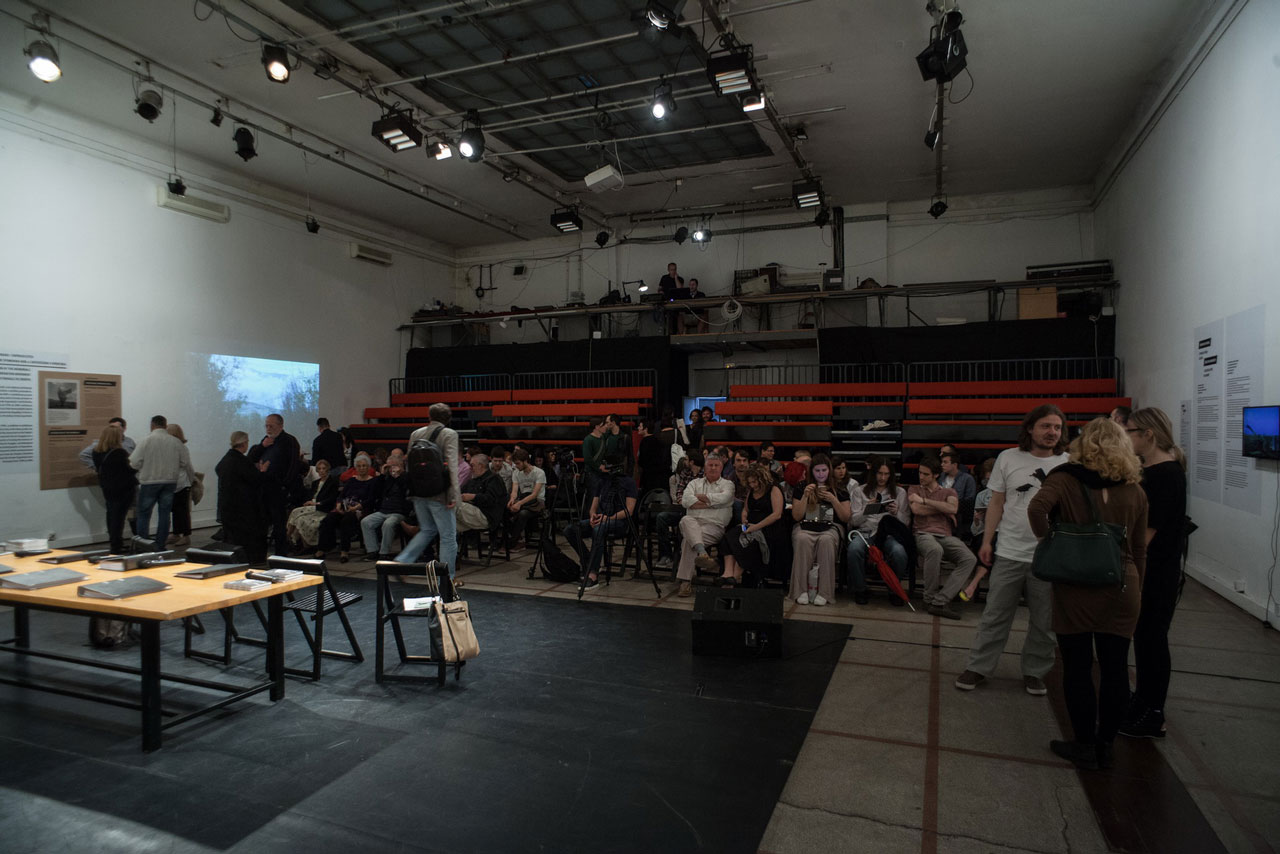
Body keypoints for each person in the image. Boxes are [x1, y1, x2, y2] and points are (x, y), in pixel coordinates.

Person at [1029, 418, 1148, 770]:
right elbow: (1139, 548)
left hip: (1074, 582)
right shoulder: (1135, 489)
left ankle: (1083, 744)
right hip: (1121, 583)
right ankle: (1106, 744)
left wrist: (1050, 539)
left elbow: (1036, 509)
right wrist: (1138, 584)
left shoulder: (1065, 479)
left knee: (1077, 667)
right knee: (1115, 667)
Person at [956, 405, 1070, 696]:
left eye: (1057, 427)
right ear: (1030, 428)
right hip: (1009, 551)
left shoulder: (1068, 463)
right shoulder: (1008, 457)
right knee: (995, 615)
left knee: (1044, 622)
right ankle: (979, 667)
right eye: (1046, 426)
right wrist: (987, 541)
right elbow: (996, 503)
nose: (1052, 432)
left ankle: (1035, 671)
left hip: (1049, 556)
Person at [1119, 407, 1188, 740]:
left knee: (1152, 639)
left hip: (1156, 571)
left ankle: (1153, 712)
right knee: (1145, 639)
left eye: (1130, 431)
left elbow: (1146, 533)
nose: (1126, 437)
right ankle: (1144, 701)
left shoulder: (1166, 474)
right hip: (1150, 568)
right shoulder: (1152, 470)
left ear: (1148, 434)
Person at [396, 403, 461, 574]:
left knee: (427, 530)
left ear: (429, 416)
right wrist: (453, 494)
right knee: (448, 537)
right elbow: (452, 466)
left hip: (418, 492)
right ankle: (446, 579)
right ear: (448, 419)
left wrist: (412, 490)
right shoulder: (449, 434)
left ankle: (402, 562)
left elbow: (409, 466)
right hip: (440, 493)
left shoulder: (415, 434)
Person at [909, 455, 976, 619]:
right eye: (920, 473)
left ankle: (940, 600)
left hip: (945, 534)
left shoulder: (948, 491)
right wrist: (942, 508)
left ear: (936, 475)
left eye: (925, 474)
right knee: (934, 549)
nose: (921, 477)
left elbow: (953, 509)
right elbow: (917, 510)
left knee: (969, 558)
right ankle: (929, 598)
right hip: (923, 532)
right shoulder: (914, 489)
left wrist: (925, 501)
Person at [562, 452, 639, 590]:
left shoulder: (628, 482)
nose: (600, 467)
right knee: (571, 529)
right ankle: (588, 560)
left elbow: (629, 511)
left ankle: (593, 574)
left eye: (603, 464)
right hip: (601, 519)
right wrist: (593, 516)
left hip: (619, 522)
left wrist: (608, 518)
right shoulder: (602, 481)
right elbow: (593, 506)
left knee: (599, 529)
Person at [846, 455, 912, 605]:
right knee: (854, 549)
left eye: (886, 474)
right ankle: (860, 589)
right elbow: (853, 521)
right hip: (866, 531)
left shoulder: (899, 492)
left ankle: (894, 589)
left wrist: (896, 513)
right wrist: (867, 510)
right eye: (880, 473)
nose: (882, 478)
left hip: (889, 533)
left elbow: (906, 522)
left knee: (899, 552)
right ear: (873, 473)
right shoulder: (860, 491)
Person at [789, 453, 851, 606]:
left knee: (826, 540)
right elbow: (796, 516)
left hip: (830, 527)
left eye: (824, 470)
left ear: (829, 470)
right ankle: (801, 590)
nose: (821, 474)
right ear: (812, 471)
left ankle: (825, 592)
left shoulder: (839, 488)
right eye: (817, 471)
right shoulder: (802, 486)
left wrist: (833, 500)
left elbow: (845, 517)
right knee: (802, 539)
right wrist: (805, 496)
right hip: (806, 525)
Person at [130, 415, 197, 551]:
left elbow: (134, 463)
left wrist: (142, 471)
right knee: (164, 514)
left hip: (149, 481)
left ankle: (143, 544)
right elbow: (184, 462)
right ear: (165, 425)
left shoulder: (145, 441)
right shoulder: (176, 442)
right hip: (170, 482)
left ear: (152, 425)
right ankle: (161, 545)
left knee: (144, 514)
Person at [675, 453, 734, 597]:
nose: (713, 468)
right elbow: (685, 501)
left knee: (688, 541)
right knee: (686, 520)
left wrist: (699, 499)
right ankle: (702, 553)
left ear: (721, 467)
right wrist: (713, 504)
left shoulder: (728, 485)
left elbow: (724, 498)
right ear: (705, 467)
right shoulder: (694, 483)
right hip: (693, 523)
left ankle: (685, 582)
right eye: (710, 465)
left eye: (716, 465)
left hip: (714, 527)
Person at [718, 463, 786, 587]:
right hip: (750, 525)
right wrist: (744, 517)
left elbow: (777, 514)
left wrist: (756, 526)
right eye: (750, 483)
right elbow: (746, 509)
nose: (753, 485)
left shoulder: (774, 489)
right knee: (729, 537)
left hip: (767, 527)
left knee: (746, 543)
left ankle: (734, 577)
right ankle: (727, 574)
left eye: (754, 482)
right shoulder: (751, 491)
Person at [247, 413, 304, 557]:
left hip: (279, 489)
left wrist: (285, 485)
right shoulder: (266, 440)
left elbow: (293, 465)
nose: (268, 429)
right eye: (266, 426)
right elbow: (251, 458)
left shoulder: (289, 441)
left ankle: (280, 555)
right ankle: (260, 554)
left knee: (279, 524)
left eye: (271, 426)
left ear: (280, 425)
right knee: (262, 523)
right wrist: (262, 446)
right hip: (264, 488)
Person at [216, 431, 269, 563]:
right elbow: (255, 480)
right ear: (244, 443)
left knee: (232, 537)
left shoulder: (226, 460)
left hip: (227, 505)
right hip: (243, 507)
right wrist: (262, 471)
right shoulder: (241, 462)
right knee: (247, 537)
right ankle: (252, 560)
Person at [319, 452, 378, 562]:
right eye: (359, 466)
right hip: (346, 507)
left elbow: (371, 499)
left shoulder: (373, 481)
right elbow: (341, 495)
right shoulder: (351, 480)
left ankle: (344, 551)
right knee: (328, 519)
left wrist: (356, 508)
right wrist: (338, 504)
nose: (361, 468)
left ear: (368, 467)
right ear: (356, 468)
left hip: (360, 509)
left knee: (346, 521)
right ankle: (322, 549)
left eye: (364, 466)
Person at [91, 424, 136, 554]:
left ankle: (114, 542)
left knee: (111, 515)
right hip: (123, 488)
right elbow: (129, 470)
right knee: (119, 517)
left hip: (107, 487)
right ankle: (117, 545)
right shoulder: (120, 453)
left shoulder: (96, 452)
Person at [655, 451, 703, 570]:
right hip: (683, 507)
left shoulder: (704, 475)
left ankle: (685, 557)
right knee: (661, 517)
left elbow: (703, 496)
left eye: (686, 459)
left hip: (698, 510)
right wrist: (684, 501)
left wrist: (691, 501)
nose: (684, 462)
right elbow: (679, 493)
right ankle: (666, 554)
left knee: (686, 523)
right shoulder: (685, 473)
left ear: (692, 462)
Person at [361, 457, 411, 560]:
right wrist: (382, 474)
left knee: (388, 524)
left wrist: (398, 476)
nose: (391, 469)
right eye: (389, 467)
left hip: (399, 511)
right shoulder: (387, 478)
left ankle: (384, 553)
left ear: (400, 466)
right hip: (384, 510)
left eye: (393, 466)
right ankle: (373, 551)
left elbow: (406, 491)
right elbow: (376, 490)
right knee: (366, 522)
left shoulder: (406, 477)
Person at [287, 458, 340, 553]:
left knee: (297, 514)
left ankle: (288, 538)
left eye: (323, 468)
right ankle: (292, 539)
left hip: (323, 507)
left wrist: (316, 503)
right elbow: (310, 496)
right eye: (319, 469)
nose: (321, 471)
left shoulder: (333, 482)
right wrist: (308, 502)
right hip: (312, 506)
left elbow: (331, 499)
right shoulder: (315, 483)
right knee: (298, 516)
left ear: (327, 469)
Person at [505, 448, 546, 549]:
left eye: (518, 463)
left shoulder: (539, 472)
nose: (516, 466)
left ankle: (513, 542)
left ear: (525, 461)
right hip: (523, 500)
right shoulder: (516, 473)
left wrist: (519, 503)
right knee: (504, 511)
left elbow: (535, 494)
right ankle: (516, 539)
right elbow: (514, 490)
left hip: (537, 502)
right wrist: (512, 500)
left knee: (522, 514)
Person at [457, 453, 507, 534]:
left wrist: (473, 497)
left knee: (454, 506)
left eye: (472, 465)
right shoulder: (473, 480)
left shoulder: (494, 479)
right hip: (473, 512)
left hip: (486, 515)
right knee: (445, 514)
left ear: (480, 465)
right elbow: (461, 492)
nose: (470, 468)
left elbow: (491, 499)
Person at [938, 451, 978, 543]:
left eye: (945, 462)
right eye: (942, 462)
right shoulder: (941, 477)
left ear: (954, 464)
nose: (942, 465)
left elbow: (969, 501)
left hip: (959, 514)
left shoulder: (967, 479)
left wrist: (951, 507)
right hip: (941, 512)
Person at [165, 423, 194, 547]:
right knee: (175, 510)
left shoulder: (181, 448)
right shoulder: (170, 448)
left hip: (181, 483)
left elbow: (188, 466)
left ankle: (186, 535)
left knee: (182, 511)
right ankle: (176, 533)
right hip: (174, 483)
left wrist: (191, 481)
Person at [634, 419, 669, 494]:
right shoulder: (657, 440)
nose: (638, 428)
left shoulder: (644, 442)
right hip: (659, 476)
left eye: (640, 426)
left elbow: (642, 460)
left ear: (646, 429)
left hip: (648, 475)